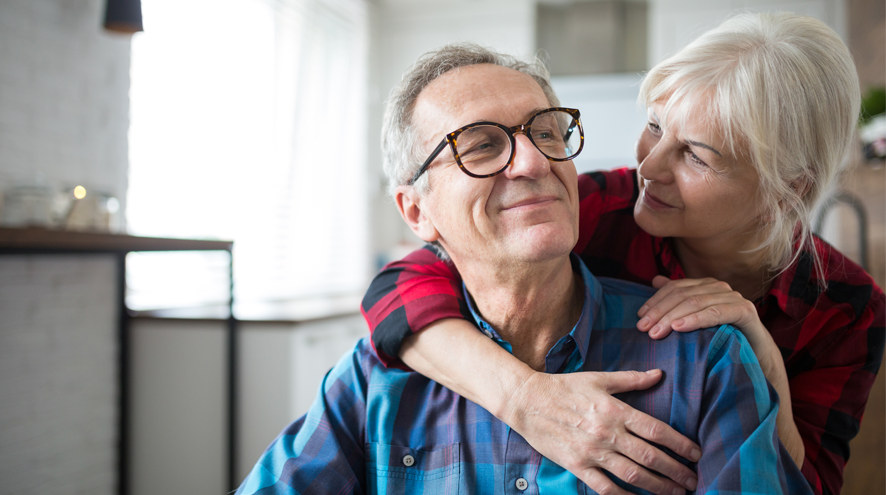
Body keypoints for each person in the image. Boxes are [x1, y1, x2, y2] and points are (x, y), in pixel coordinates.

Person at [236, 44, 810, 495]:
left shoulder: (706, 360)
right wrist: (522, 396)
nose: (535, 160)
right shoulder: (373, 382)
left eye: (546, 131)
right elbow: (392, 289)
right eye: (481, 145)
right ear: (417, 210)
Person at [360, 12, 885, 495]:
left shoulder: (848, 307)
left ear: (787, 188)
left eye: (695, 156)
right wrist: (523, 398)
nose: (649, 166)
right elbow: (399, 287)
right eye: (656, 126)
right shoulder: (599, 207)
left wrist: (766, 367)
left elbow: (811, 483)